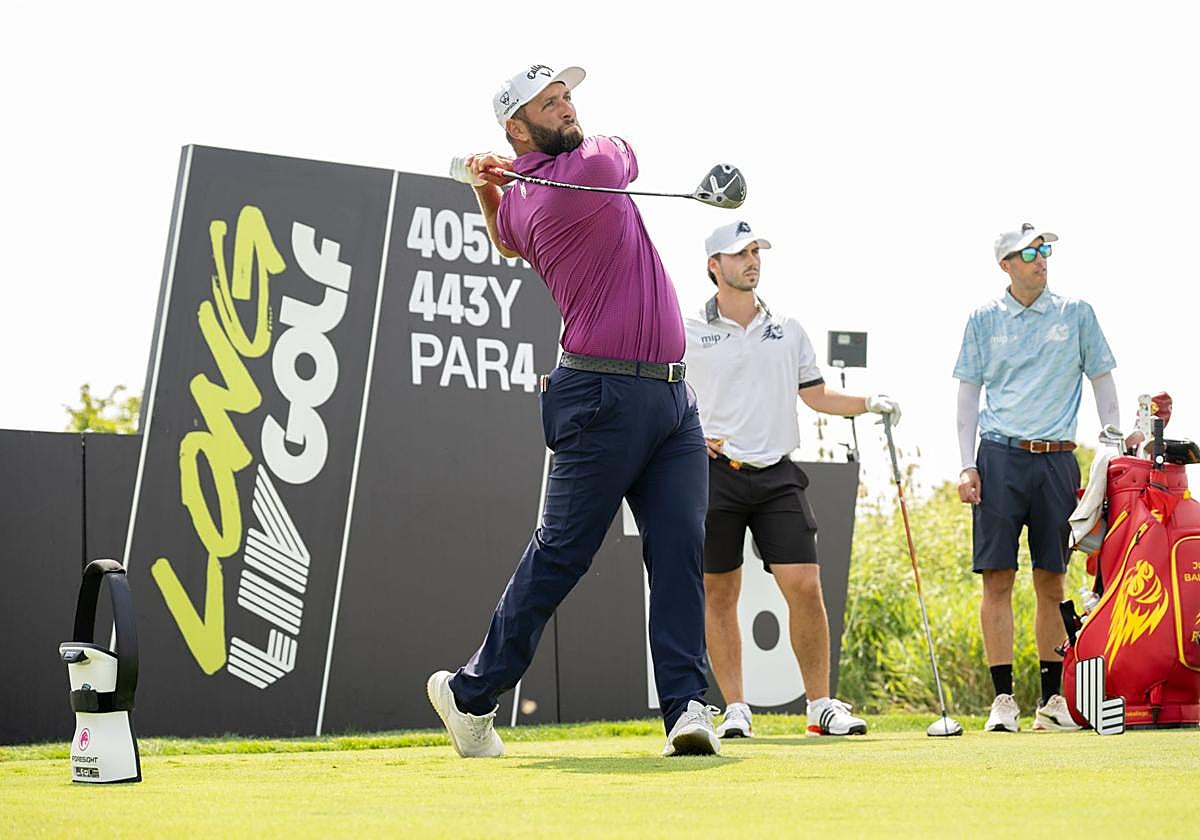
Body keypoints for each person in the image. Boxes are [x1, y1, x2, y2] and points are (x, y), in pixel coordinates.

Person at [428, 64, 718, 758]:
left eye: (567, 97)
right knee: (562, 553)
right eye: (549, 103)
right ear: (516, 127)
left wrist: (486, 189)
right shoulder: (585, 171)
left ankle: (686, 708)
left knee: (678, 544)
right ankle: (469, 695)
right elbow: (625, 152)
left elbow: (506, 239)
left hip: (672, 398)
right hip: (601, 395)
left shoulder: (524, 198)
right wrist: (499, 184)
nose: (567, 108)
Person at [683, 220, 900, 738]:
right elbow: (672, 395)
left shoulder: (789, 329)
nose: (751, 260)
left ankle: (820, 705)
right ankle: (735, 707)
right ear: (714, 265)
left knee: (804, 585)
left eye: (756, 251)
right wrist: (690, 435)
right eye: (739, 253)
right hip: (714, 474)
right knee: (720, 591)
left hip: (777, 472)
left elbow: (817, 394)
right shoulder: (687, 329)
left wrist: (869, 402)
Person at [954, 223, 1121, 732]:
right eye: (1029, 252)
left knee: (1053, 579)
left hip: (1057, 460)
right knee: (997, 579)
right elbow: (967, 395)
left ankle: (1052, 701)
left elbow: (1103, 381)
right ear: (1005, 264)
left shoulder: (1077, 314)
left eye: (1044, 250)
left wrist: (1111, 448)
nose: (1041, 259)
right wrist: (966, 463)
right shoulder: (983, 319)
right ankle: (1003, 701)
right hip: (999, 458)